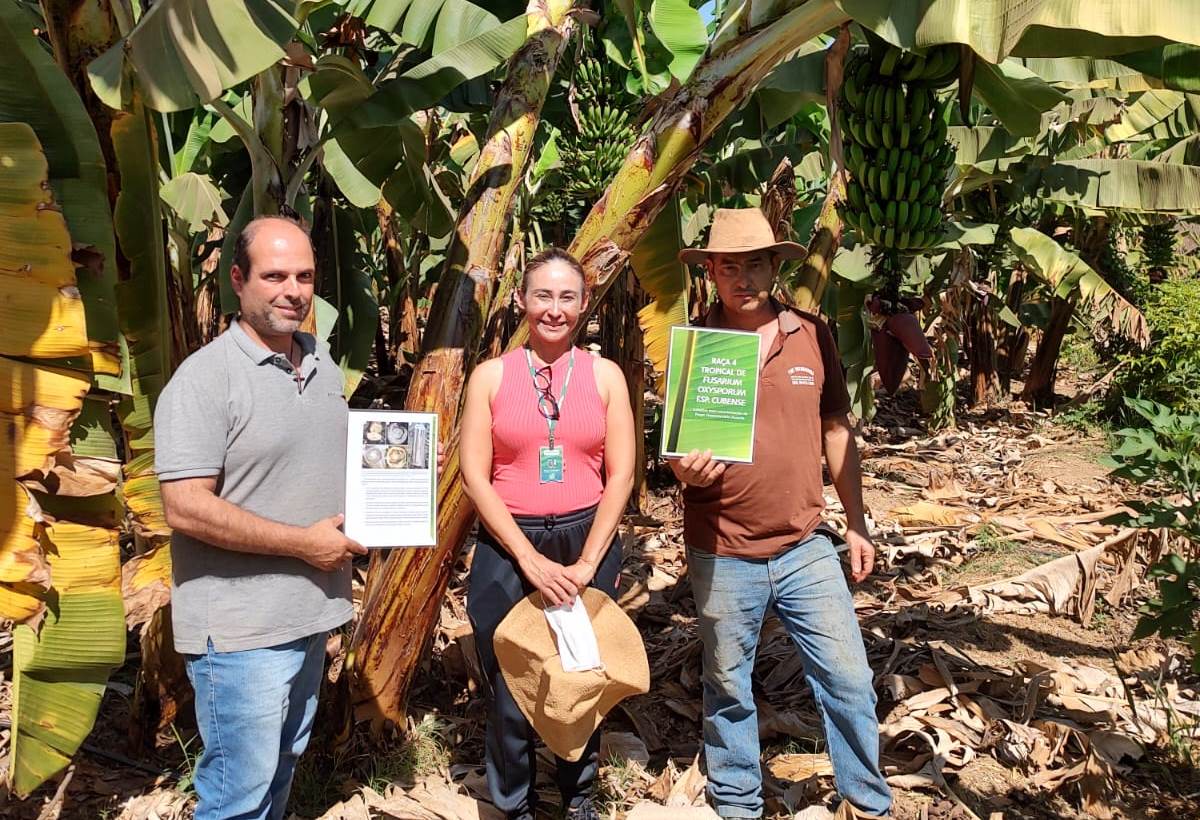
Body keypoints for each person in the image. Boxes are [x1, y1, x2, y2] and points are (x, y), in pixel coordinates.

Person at [672, 208, 893, 819]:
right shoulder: (698, 345)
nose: (743, 278)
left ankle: (868, 804)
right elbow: (678, 451)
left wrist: (855, 520)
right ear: (711, 272)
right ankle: (738, 805)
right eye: (729, 266)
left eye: (756, 264)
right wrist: (682, 470)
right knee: (728, 689)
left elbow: (836, 428)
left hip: (804, 543)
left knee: (848, 680)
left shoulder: (812, 334)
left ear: (775, 266)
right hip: (723, 547)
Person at [154, 216, 368, 820]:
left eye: (304, 276)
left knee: (279, 776)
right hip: (241, 634)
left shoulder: (321, 365)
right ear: (238, 280)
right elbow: (185, 504)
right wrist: (303, 544)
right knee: (237, 797)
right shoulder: (204, 380)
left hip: (311, 615)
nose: (292, 291)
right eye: (274, 276)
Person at [459, 247, 636, 820]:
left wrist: (587, 562)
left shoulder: (605, 376)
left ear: (585, 304)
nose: (554, 309)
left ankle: (578, 799)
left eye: (567, 297)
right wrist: (527, 558)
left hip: (586, 538)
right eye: (542, 296)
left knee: (580, 678)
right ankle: (516, 804)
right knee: (512, 684)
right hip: (509, 544)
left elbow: (622, 474)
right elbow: (475, 476)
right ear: (521, 301)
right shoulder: (490, 377)